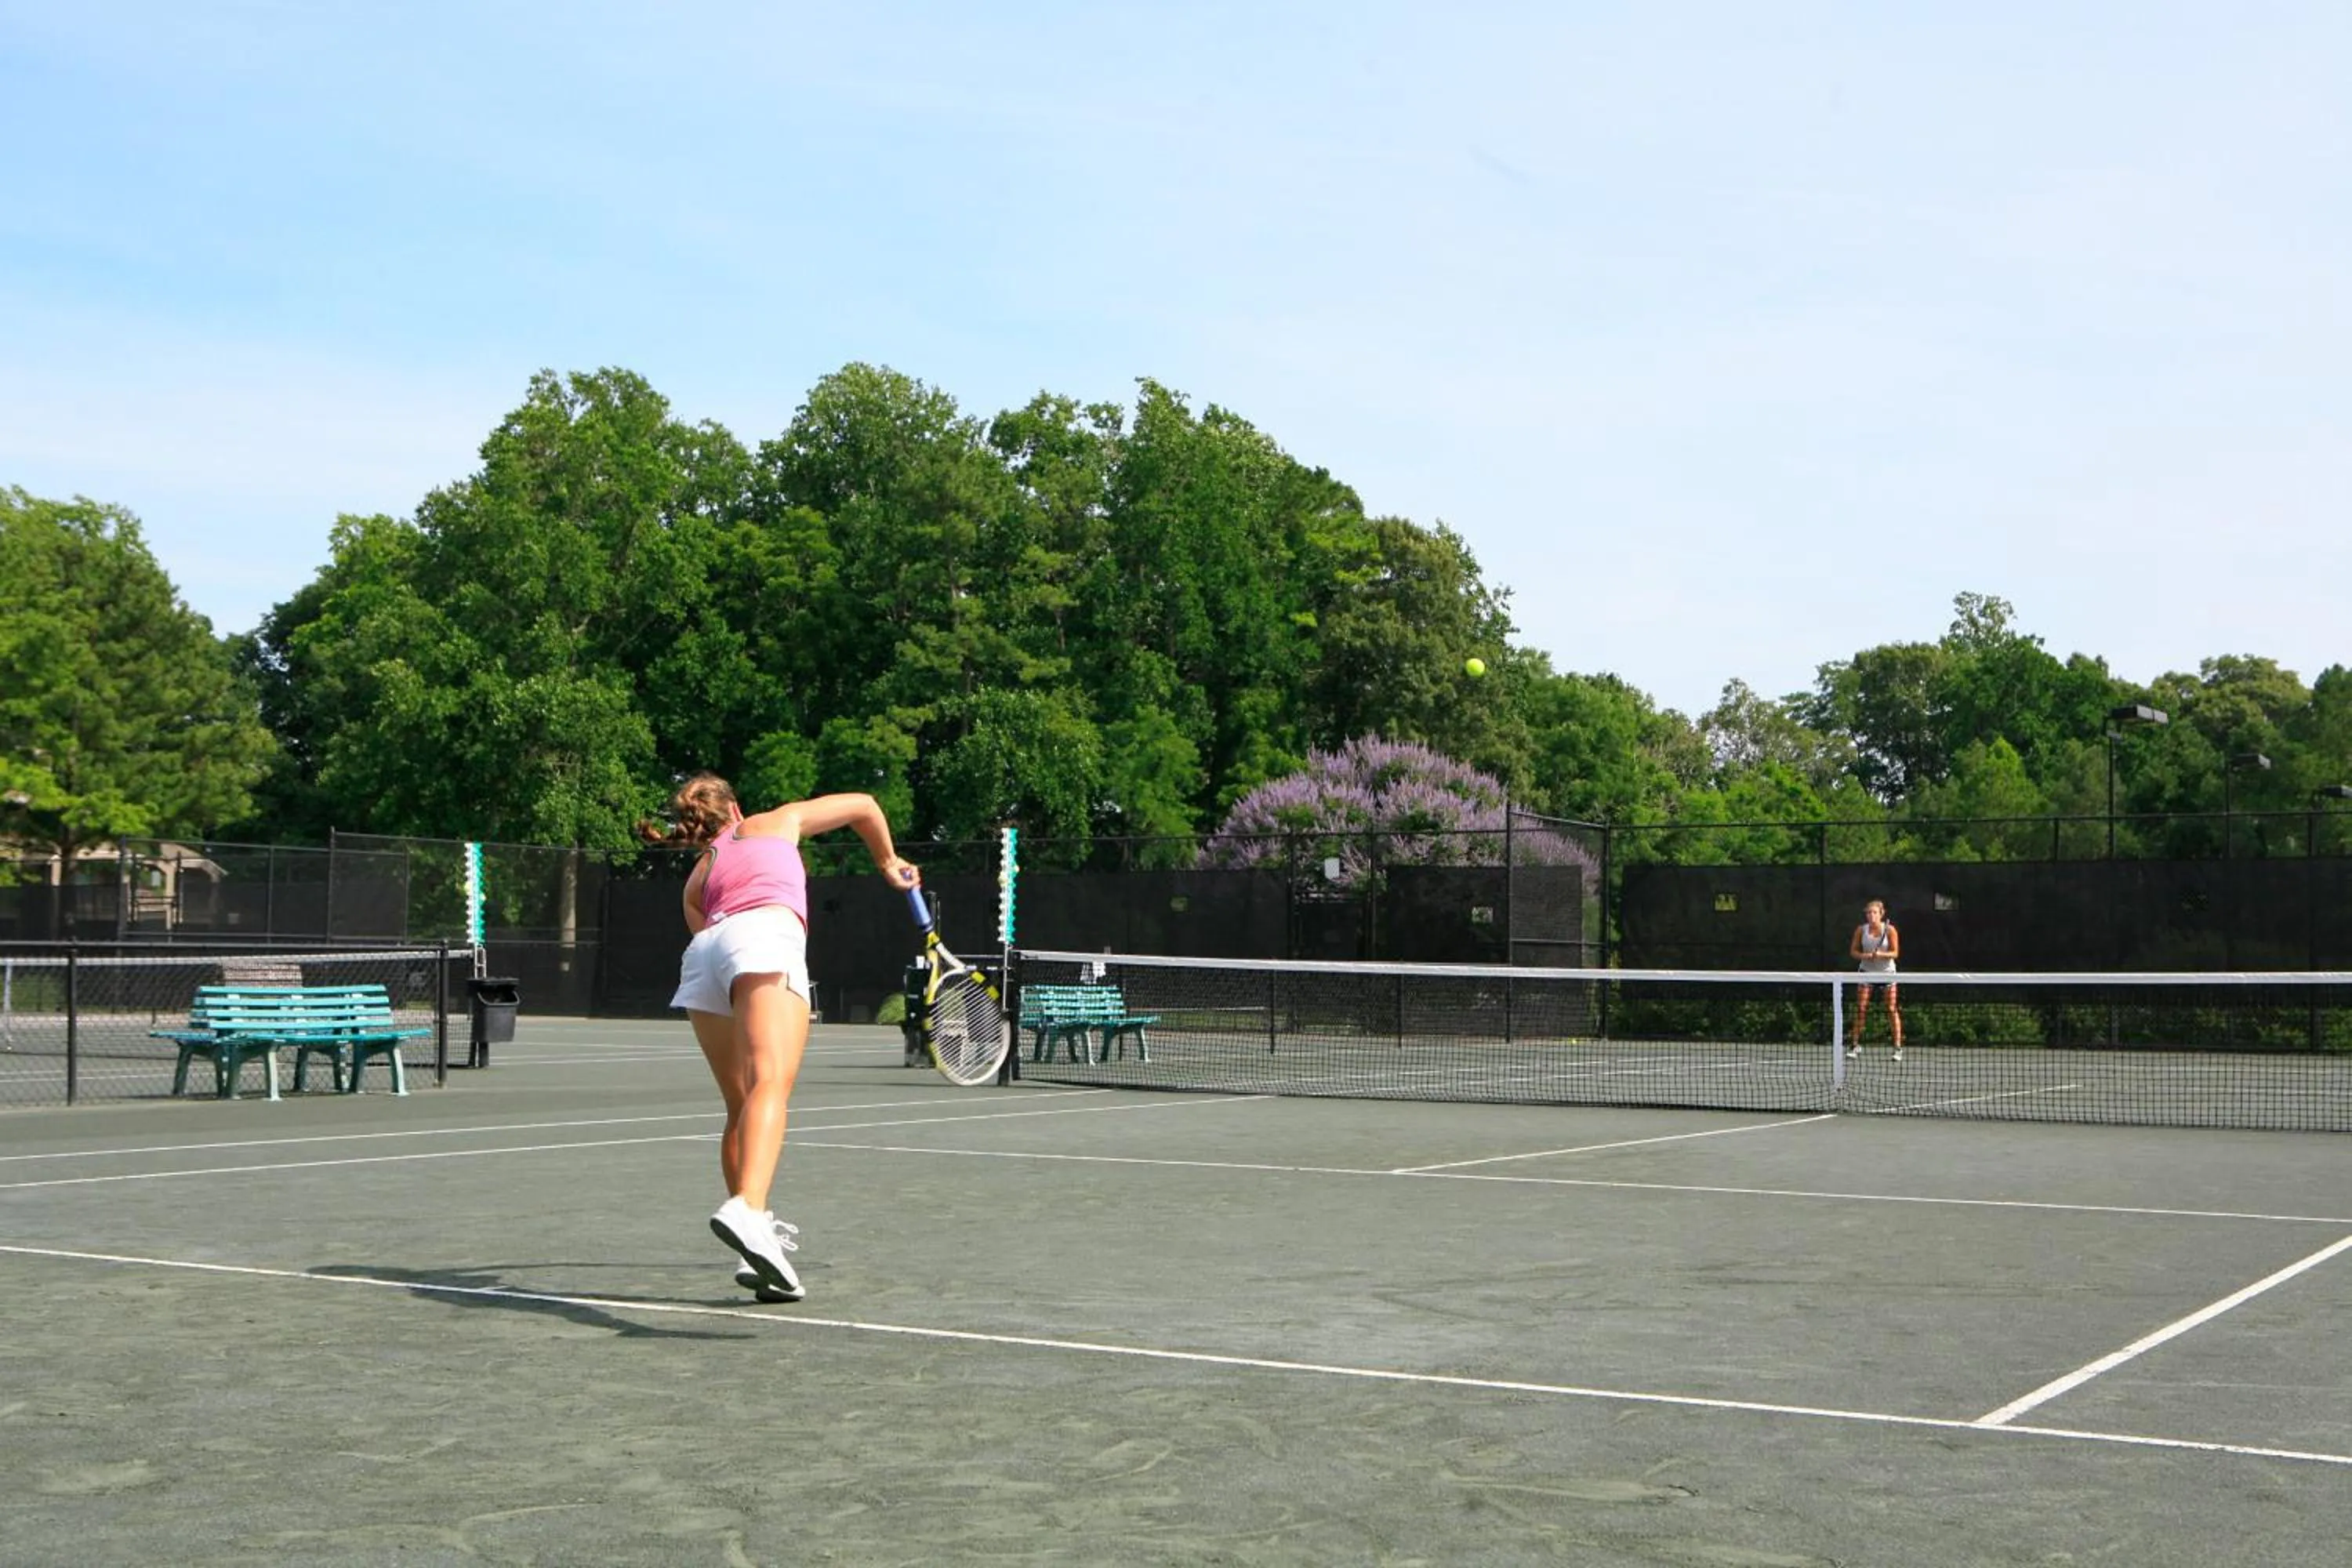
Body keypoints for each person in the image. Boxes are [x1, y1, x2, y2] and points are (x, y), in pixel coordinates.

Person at [655, 772, 918, 1303]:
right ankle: (749, 1211)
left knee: (740, 1105)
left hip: (706, 954)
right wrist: (889, 863)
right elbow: (864, 802)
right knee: (770, 1083)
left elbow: (709, 937)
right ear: (735, 807)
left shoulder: (697, 876)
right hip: (761, 936)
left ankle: (754, 1243)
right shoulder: (775, 820)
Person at [1847, 899, 1903, 1062]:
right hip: (1866, 973)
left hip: (1888, 974)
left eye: (1874, 913)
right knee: (1861, 1008)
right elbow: (1854, 952)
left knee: (1892, 1009)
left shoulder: (1890, 930)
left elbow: (1895, 953)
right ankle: (1855, 1045)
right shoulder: (1861, 930)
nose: (1871, 916)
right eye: (1868, 913)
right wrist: (1866, 956)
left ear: (1881, 914)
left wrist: (1881, 955)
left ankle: (1897, 1047)